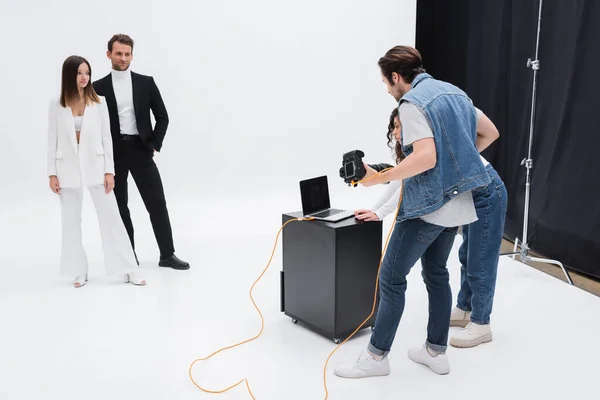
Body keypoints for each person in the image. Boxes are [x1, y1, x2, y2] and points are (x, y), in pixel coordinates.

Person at [334, 45, 496, 378]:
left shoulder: (410, 104)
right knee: (437, 274)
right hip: (457, 206)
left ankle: (376, 358)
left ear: (396, 77)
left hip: (426, 209)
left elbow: (426, 158)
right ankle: (436, 352)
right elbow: (489, 132)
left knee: (391, 279)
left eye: (385, 83)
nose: (387, 90)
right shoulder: (456, 94)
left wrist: (380, 177)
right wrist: (456, 168)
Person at [47, 55, 146, 288]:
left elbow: (106, 138)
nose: (84, 77)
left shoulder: (99, 102)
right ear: (69, 75)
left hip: (96, 165)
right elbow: (52, 139)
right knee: (71, 220)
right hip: (67, 167)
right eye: (79, 73)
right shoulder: (57, 103)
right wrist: (52, 173)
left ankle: (129, 269)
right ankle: (78, 271)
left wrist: (109, 171)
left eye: (87, 73)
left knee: (111, 216)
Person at [92, 34, 189, 270]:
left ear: (131, 55)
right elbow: (92, 124)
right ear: (109, 55)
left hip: (140, 149)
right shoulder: (97, 88)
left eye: (127, 54)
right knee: (120, 206)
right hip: (113, 153)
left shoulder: (146, 83)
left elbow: (163, 116)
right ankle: (129, 256)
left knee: (156, 203)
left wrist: (155, 142)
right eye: (118, 53)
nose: (123, 58)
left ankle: (167, 254)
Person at [448, 110, 507, 348]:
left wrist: (466, 159)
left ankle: (481, 323)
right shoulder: (452, 102)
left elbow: (492, 133)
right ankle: (465, 308)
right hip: (473, 191)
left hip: (487, 191)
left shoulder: (436, 107)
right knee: (467, 254)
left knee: (480, 260)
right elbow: (491, 132)